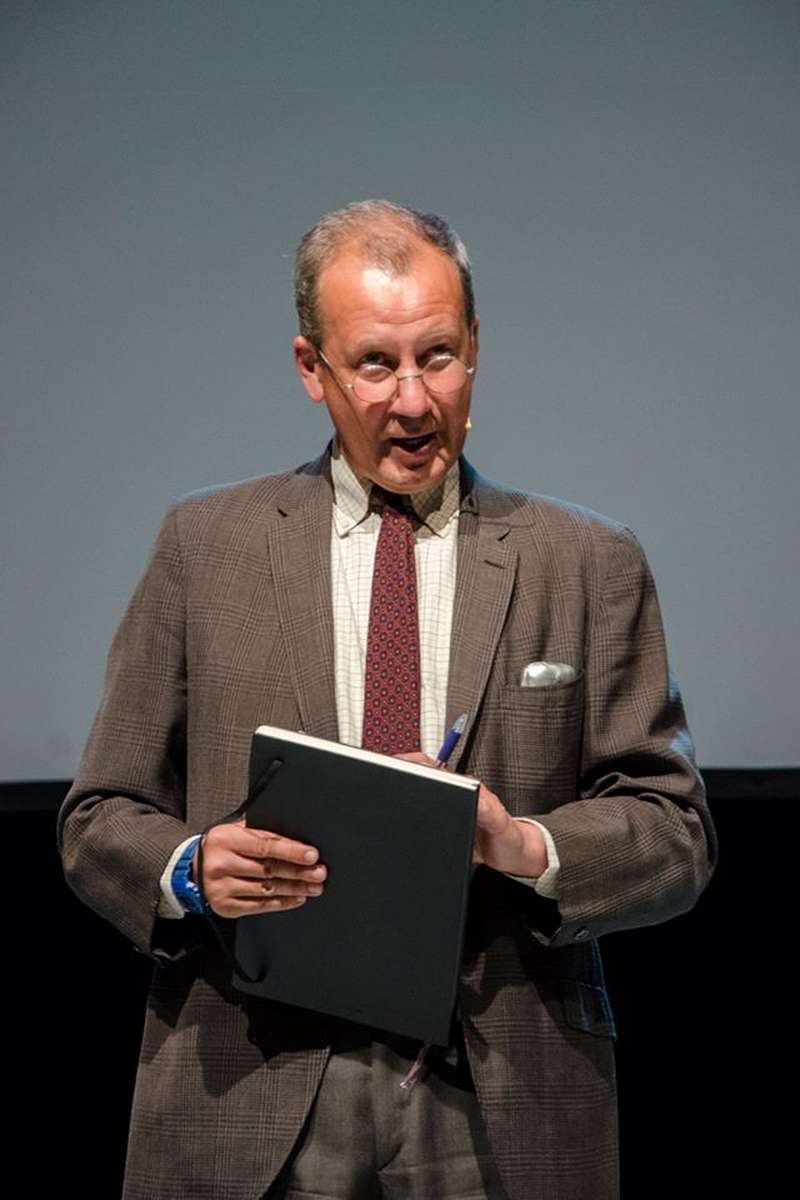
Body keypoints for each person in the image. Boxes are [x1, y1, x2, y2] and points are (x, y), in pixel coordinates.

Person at [58, 200, 717, 1200]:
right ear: (310, 367)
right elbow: (99, 817)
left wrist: (519, 842)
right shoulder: (206, 548)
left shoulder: (588, 561)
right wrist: (190, 870)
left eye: (438, 356)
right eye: (374, 364)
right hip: (252, 1079)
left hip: (502, 1089)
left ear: (475, 347)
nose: (413, 400)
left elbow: (673, 834)